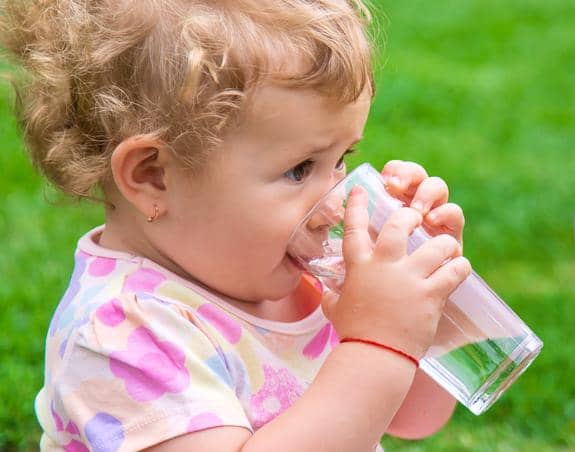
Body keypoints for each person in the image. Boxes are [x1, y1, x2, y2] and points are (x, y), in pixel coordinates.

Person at [3, 0, 474, 449]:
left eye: (341, 159)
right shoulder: (125, 334)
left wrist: (426, 308)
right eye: (299, 169)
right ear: (153, 175)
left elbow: (412, 419)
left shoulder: (291, 276)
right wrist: (377, 342)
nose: (335, 204)